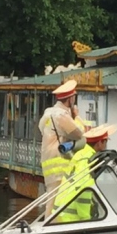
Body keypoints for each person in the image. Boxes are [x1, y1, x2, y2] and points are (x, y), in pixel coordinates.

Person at [51, 123, 117, 223]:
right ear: (99, 143)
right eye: (105, 142)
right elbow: (83, 191)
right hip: (71, 217)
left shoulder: (81, 154)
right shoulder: (88, 160)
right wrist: (86, 220)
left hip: (63, 212)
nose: (106, 145)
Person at [38, 79, 87, 216]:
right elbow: (80, 133)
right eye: (74, 98)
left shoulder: (48, 113)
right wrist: (76, 116)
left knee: (51, 194)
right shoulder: (62, 115)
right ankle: (50, 228)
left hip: (47, 161)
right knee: (56, 199)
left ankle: (49, 225)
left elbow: (41, 128)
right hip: (59, 162)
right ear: (70, 99)